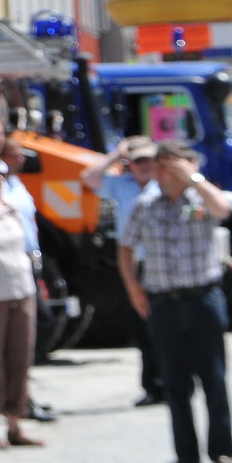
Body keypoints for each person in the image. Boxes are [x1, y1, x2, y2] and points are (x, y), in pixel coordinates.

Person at [118, 140, 232, 463]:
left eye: (175, 165)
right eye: (163, 166)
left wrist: (193, 179)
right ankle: (187, 456)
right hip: (164, 301)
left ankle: (222, 453)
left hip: (203, 298)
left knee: (214, 377)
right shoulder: (146, 203)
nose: (168, 173)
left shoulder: (201, 196)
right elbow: (125, 247)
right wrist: (134, 290)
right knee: (175, 382)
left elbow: (223, 209)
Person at [82, 136, 165, 405]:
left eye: (149, 160)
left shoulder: (164, 184)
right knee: (142, 328)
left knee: (168, 326)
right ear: (130, 164)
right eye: (139, 160)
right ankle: (152, 386)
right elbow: (89, 177)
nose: (145, 166)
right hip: (135, 265)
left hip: (163, 264)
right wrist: (115, 154)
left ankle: (174, 382)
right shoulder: (121, 186)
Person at [0, 156, 43, 448]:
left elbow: (29, 246)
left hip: (22, 288)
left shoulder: (11, 209)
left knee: (22, 358)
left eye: (1, 174)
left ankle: (16, 422)